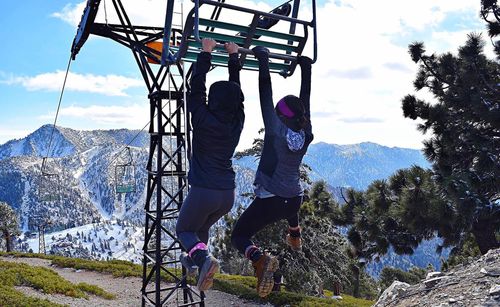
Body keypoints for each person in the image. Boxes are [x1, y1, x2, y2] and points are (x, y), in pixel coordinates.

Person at [231, 46, 313, 298]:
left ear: (280, 115)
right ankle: (295, 232)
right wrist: (306, 69)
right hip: (293, 200)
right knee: (291, 198)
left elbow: (264, 93)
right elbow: (304, 101)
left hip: (273, 200)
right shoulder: (305, 132)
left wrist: (263, 61)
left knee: (239, 235)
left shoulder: (276, 130)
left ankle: (259, 259)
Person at [176, 38, 244, 291]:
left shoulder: (202, 119)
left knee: (184, 229)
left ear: (212, 100)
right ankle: (195, 263)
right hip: (227, 195)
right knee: (200, 227)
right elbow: (235, 94)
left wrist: (206, 52)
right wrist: (233, 58)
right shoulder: (237, 121)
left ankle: (203, 259)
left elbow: (196, 88)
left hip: (205, 190)